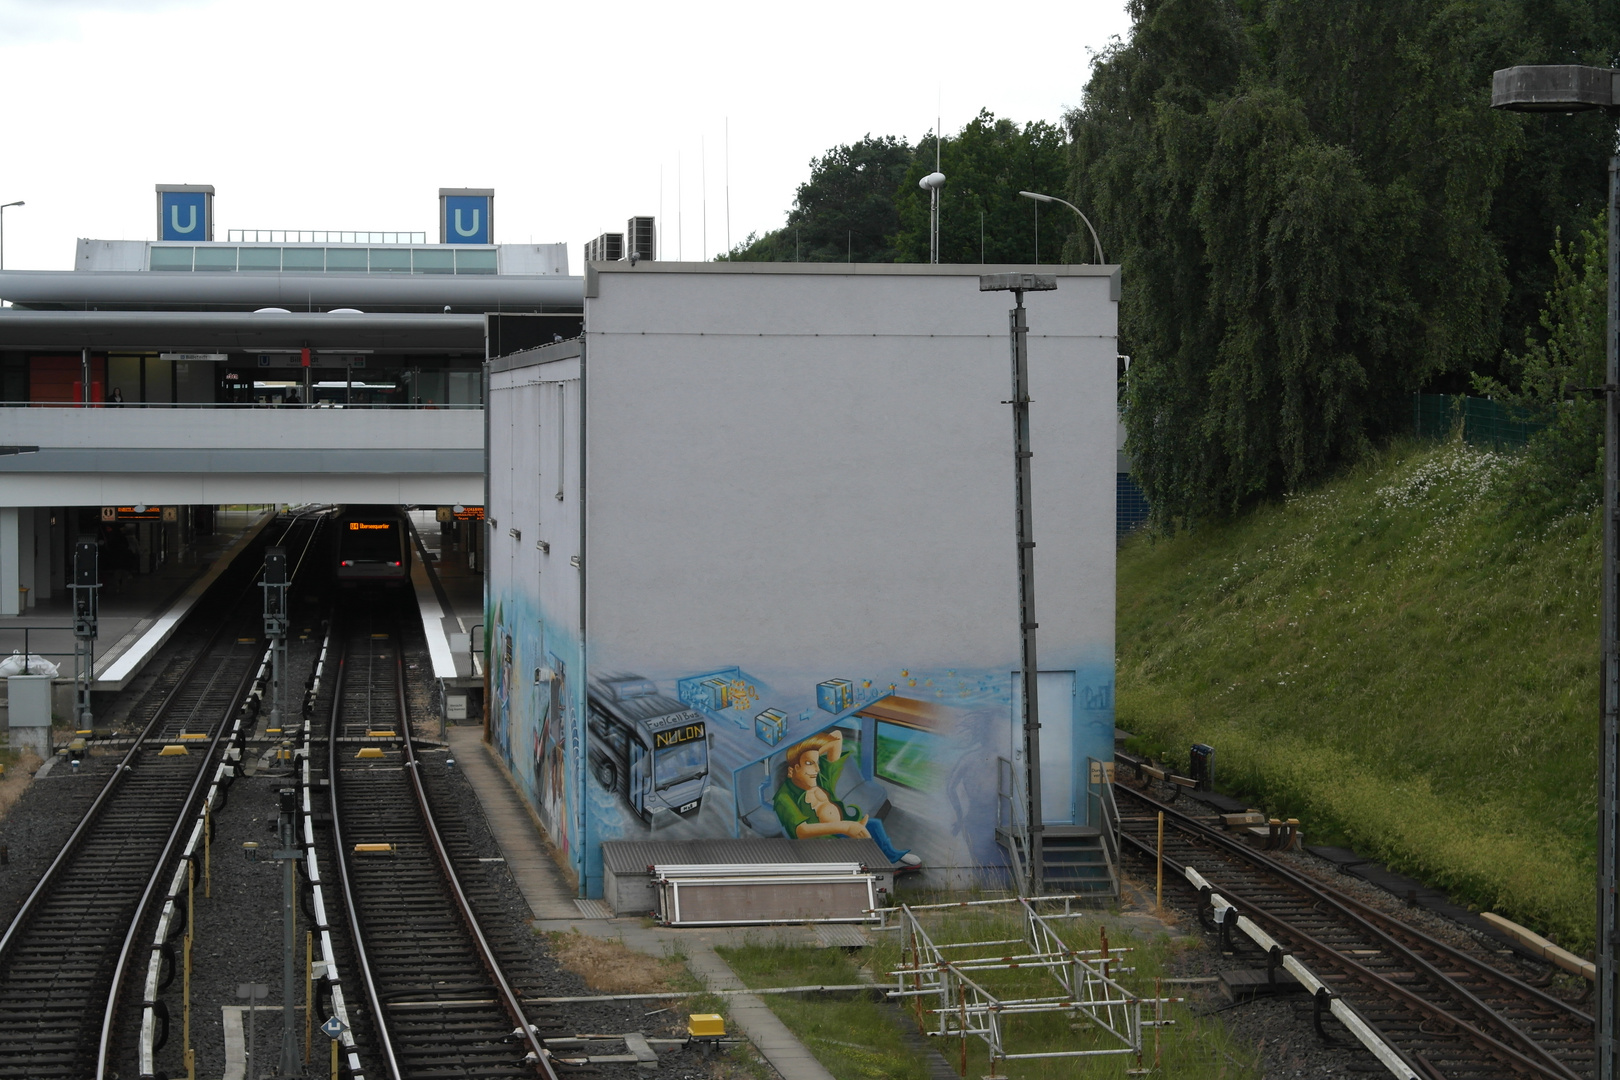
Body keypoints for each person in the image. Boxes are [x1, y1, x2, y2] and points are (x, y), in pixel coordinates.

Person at [773, 729, 921, 866]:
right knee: (859, 836)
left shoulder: (819, 777)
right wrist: (845, 827)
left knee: (873, 825)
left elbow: (836, 738)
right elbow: (802, 831)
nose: (817, 769)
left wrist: (810, 752)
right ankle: (869, 863)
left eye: (816, 763)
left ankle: (893, 856)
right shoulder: (784, 797)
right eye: (809, 764)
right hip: (818, 841)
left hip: (839, 829)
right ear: (794, 770)